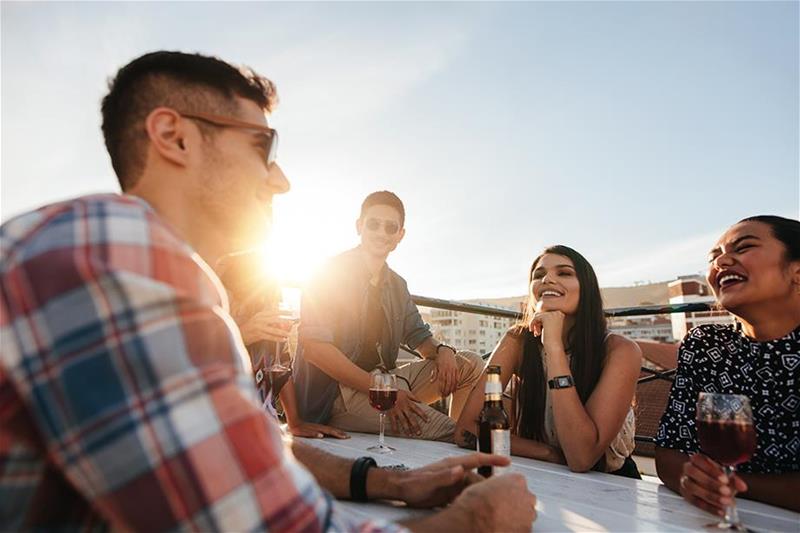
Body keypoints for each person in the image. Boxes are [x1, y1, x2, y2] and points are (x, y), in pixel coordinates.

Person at [0, 50, 538, 531]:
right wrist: (477, 520)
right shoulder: (109, 261)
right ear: (175, 137)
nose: (280, 180)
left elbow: (235, 447)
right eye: (262, 145)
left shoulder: (136, 260)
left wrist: (383, 482)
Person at [293, 191, 485, 441]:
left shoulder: (397, 285)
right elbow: (315, 350)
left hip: (386, 382)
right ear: (359, 226)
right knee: (446, 430)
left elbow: (421, 339)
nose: (381, 233)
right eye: (373, 224)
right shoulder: (328, 273)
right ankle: (458, 439)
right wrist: (385, 391)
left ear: (399, 235)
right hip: (336, 396)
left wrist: (444, 350)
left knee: (469, 364)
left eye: (390, 227)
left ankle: (460, 435)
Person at [455, 245, 643, 477]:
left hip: (610, 484)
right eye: (538, 275)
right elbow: (466, 428)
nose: (547, 279)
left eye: (564, 273)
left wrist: (553, 346)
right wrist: (548, 454)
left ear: (587, 289)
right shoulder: (518, 340)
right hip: (541, 470)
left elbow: (581, 458)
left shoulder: (619, 350)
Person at [655, 215, 800, 513]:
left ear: (797, 271)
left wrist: (728, 482)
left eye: (743, 247)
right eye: (714, 257)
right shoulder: (706, 344)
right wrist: (689, 480)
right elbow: (670, 454)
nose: (721, 263)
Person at [217, 249, 347, 438]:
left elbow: (281, 365)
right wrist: (241, 334)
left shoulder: (269, 293)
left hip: (267, 427)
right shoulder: (218, 273)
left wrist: (294, 421)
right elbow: (193, 354)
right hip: (226, 428)